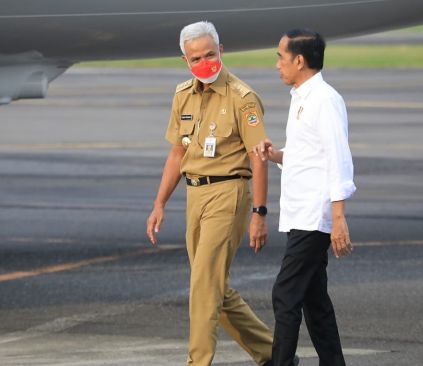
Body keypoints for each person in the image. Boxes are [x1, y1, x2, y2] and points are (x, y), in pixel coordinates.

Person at [146, 21, 281, 366]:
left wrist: (260, 214)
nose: (204, 61)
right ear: (185, 60)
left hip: (228, 193)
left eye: (210, 53)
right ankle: (274, 354)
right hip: (195, 196)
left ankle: (198, 362)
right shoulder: (183, 95)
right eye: (196, 58)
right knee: (214, 288)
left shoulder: (242, 97)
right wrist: (159, 203)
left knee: (203, 288)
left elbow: (259, 157)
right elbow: (178, 153)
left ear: (221, 51)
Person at [254, 28, 356, 366]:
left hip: (315, 216)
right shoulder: (301, 98)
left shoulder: (325, 100)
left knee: (285, 294)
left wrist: (338, 219)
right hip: (300, 214)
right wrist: (276, 155)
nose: (277, 65)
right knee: (314, 301)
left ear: (300, 60)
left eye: (281, 58)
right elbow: (307, 155)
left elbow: (338, 160)